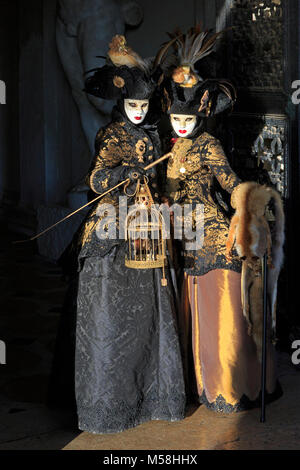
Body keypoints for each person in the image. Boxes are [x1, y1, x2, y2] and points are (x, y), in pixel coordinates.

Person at [163, 27, 283, 412]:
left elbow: (229, 180)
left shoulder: (209, 145)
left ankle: (229, 385)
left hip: (209, 233)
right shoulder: (172, 147)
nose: (182, 126)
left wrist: (244, 203)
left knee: (219, 302)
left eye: (187, 120)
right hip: (180, 231)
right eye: (175, 120)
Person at [74, 35, 186, 434]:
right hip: (112, 234)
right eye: (132, 105)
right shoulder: (111, 136)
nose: (138, 113)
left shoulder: (154, 134)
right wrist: (123, 175)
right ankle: (109, 405)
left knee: (150, 321)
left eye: (143, 105)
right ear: (121, 103)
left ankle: (155, 398)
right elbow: (96, 177)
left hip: (149, 235)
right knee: (111, 323)